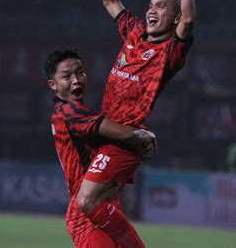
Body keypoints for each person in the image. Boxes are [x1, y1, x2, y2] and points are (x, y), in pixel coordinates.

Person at [75, 0, 196, 247]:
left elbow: (190, 20)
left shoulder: (170, 52)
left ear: (175, 18)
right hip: (103, 132)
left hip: (125, 138)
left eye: (162, 6)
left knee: (86, 200)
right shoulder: (134, 32)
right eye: (151, 4)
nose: (152, 10)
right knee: (101, 206)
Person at [45, 50, 157, 247]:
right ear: (52, 85)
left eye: (80, 72)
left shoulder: (73, 112)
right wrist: (147, 137)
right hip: (85, 213)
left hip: (101, 203)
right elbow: (125, 134)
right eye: (66, 76)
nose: (76, 80)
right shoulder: (68, 112)